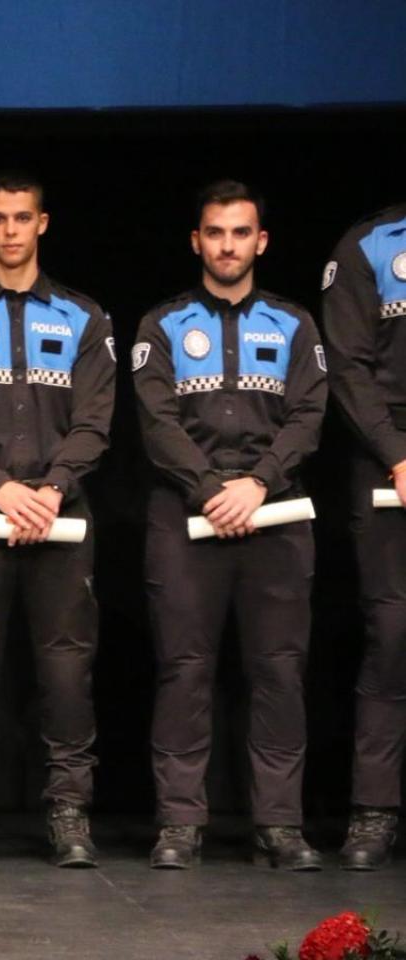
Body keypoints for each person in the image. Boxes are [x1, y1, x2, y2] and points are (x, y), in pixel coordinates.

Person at [132, 180, 325, 871]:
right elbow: (157, 423)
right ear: (197, 241)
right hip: (185, 518)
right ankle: (180, 823)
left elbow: (309, 416)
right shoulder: (162, 325)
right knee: (185, 673)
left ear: (260, 242)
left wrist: (258, 482)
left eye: (241, 233)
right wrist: (213, 490)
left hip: (276, 515)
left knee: (279, 673)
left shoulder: (295, 324)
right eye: (215, 232)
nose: (227, 245)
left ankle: (280, 825)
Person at [0, 173, 114, 869]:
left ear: (43, 223)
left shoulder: (83, 317)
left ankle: (68, 812)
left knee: (66, 674)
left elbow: (95, 423)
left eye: (23, 218)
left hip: (61, 520)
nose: (11, 230)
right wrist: (0, 488)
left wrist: (52, 489)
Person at [322, 200, 406, 870]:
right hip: (389, 459)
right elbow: (348, 366)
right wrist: (398, 455)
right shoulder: (369, 244)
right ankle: (375, 811)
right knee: (394, 637)